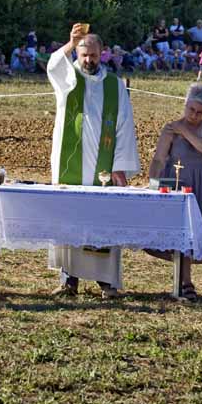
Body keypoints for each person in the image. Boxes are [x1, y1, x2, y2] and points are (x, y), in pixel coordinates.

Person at [47, 25, 140, 299]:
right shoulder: (68, 78)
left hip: (104, 165)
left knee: (103, 222)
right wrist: (69, 43)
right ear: (78, 53)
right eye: (84, 54)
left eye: (94, 55)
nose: (89, 60)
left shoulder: (115, 85)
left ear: (103, 54)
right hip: (71, 164)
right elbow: (53, 65)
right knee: (69, 219)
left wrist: (120, 165)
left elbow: (124, 125)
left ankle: (106, 282)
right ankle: (68, 280)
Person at [148, 83, 202, 302]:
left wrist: (184, 130)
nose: (194, 115)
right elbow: (159, 158)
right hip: (179, 183)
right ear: (185, 104)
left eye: (200, 112)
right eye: (191, 109)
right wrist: (153, 184)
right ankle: (186, 282)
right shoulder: (170, 129)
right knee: (183, 234)